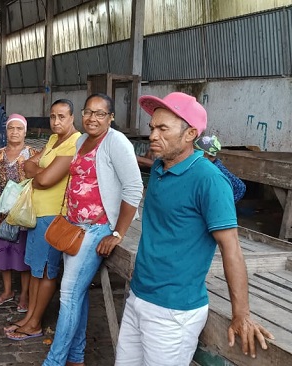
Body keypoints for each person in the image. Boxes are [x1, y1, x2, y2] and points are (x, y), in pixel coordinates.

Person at [115, 92, 273, 365]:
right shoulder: (161, 170)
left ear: (190, 134)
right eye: (153, 127)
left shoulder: (209, 181)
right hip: (139, 296)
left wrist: (241, 314)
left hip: (173, 312)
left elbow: (231, 248)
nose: (153, 135)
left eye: (163, 128)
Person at [43, 94, 144, 365]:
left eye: (100, 114)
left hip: (96, 228)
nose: (93, 118)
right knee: (77, 292)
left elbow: (134, 188)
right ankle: (76, 356)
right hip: (74, 227)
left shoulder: (115, 142)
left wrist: (117, 232)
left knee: (68, 294)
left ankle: (55, 360)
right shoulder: (81, 141)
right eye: (89, 112)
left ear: (111, 118)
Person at [5, 99, 81, 341]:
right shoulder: (52, 140)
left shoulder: (73, 143)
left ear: (72, 118)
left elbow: (45, 180)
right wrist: (39, 172)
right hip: (37, 214)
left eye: (62, 117)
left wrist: (38, 172)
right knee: (37, 270)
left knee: (48, 270)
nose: (56, 121)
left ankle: (35, 323)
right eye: (52, 116)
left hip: (53, 216)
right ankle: (29, 318)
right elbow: (28, 165)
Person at [0, 114, 35, 313]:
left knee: (23, 257)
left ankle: (24, 295)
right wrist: (2, 204)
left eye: (19, 129)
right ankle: (7, 291)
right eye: (11, 128)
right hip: (1, 213)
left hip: (22, 215)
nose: (15, 132)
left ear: (25, 132)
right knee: (3, 254)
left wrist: (17, 207)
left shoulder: (32, 154)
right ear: (6, 131)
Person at [194, 134, 246, 202]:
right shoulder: (204, 166)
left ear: (205, 154)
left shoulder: (218, 169)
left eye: (196, 152)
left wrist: (226, 203)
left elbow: (240, 187)